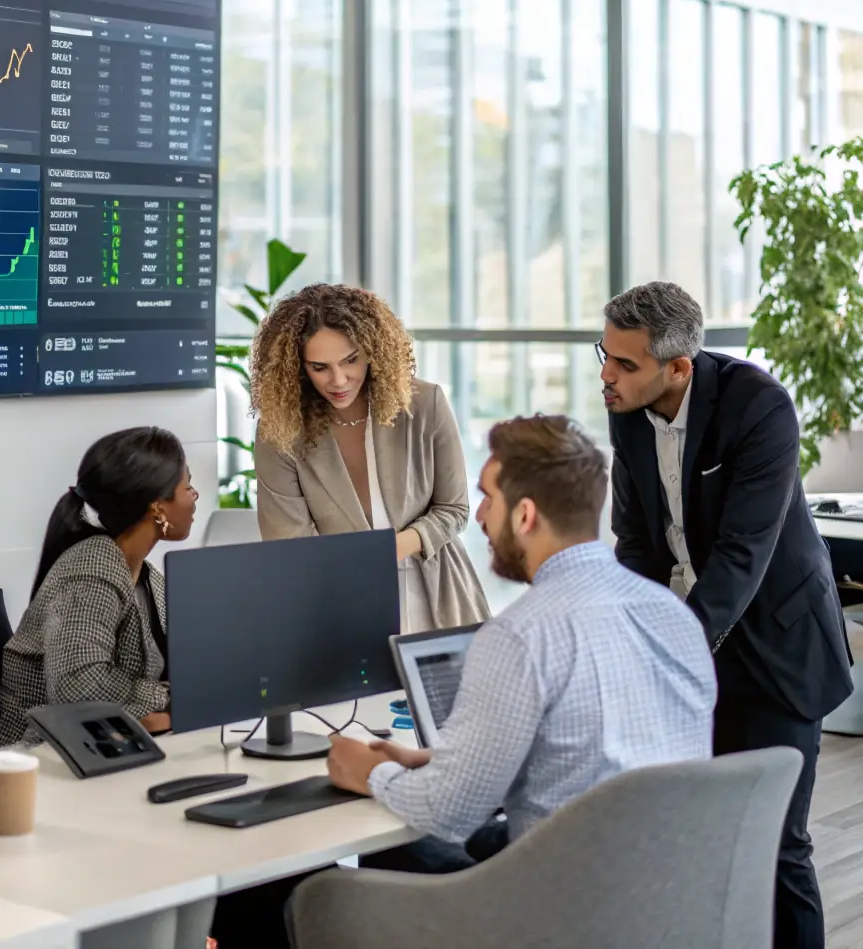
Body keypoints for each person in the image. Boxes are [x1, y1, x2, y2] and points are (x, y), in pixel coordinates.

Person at [326, 414, 716, 876]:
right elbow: (594, 757)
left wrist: (366, 772)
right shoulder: (673, 615)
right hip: (664, 892)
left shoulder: (519, 637)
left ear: (525, 514)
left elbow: (448, 815)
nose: (480, 516)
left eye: (488, 498)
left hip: (555, 907)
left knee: (302, 891)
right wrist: (442, 762)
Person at [601, 281, 853, 949]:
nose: (607, 375)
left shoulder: (759, 406)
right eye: (605, 354)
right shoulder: (625, 409)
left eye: (625, 364)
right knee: (697, 841)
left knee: (775, 844)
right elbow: (636, 542)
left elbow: (744, 555)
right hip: (690, 644)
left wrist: (672, 648)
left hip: (777, 648)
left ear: (678, 365)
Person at [251, 282, 489, 631]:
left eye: (351, 360)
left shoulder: (425, 404)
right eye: (320, 367)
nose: (339, 380)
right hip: (335, 601)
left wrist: (392, 549)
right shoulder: (281, 431)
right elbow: (289, 543)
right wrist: (360, 568)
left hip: (438, 593)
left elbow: (454, 509)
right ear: (297, 368)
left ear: (373, 350)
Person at [0, 425, 198, 747]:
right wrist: (163, 701)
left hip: (105, 745)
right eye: (188, 486)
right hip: (47, 759)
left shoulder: (142, 571)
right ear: (157, 506)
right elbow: (78, 688)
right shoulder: (92, 570)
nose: (194, 497)